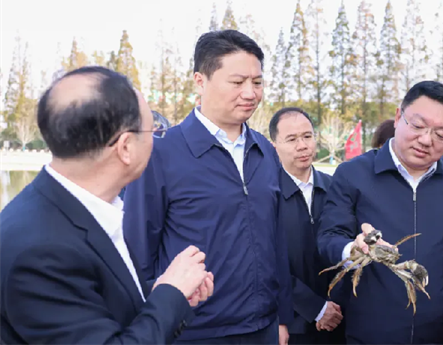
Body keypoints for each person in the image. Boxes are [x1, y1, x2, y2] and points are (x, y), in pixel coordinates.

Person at [0, 66, 214, 344]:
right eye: (154, 129)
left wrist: (163, 291)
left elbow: (97, 299)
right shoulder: (42, 254)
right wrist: (171, 293)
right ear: (125, 147)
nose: (156, 140)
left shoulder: (74, 208)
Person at [123, 30, 293, 345]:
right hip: (192, 331)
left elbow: (276, 241)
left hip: (263, 328)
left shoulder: (266, 153)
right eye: (237, 82)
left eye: (257, 83)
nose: (250, 93)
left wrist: (283, 316)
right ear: (200, 81)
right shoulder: (161, 154)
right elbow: (137, 253)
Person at [317, 81, 443, 345]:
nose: (426, 140)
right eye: (417, 125)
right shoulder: (353, 174)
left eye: (441, 134)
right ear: (397, 117)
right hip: (372, 332)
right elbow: (329, 237)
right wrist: (352, 250)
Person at [269, 107, 346, 345]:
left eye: (307, 136)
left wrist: (332, 308)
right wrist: (315, 308)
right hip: (290, 325)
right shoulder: (266, 195)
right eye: (291, 139)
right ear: (274, 146)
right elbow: (266, 262)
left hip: (340, 319)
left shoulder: (336, 189)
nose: (302, 145)